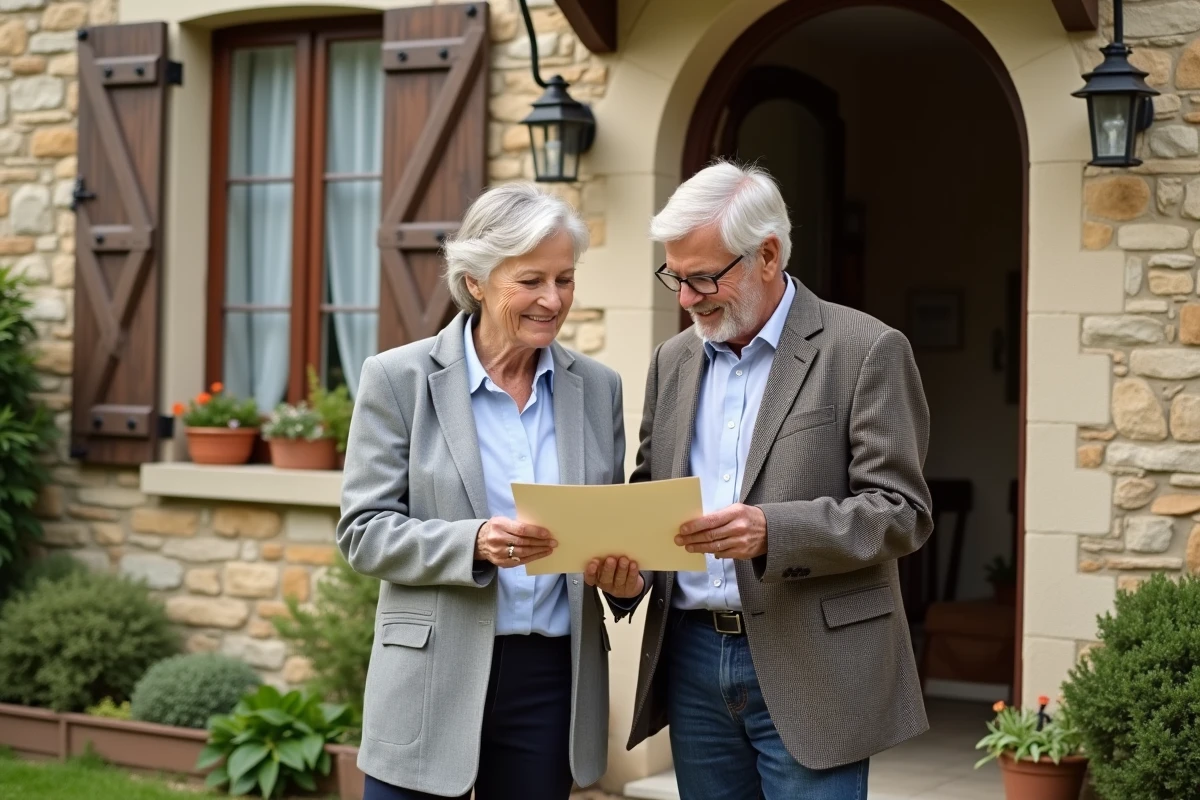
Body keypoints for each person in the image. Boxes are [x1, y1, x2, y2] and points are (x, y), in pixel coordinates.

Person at [616, 161, 934, 800]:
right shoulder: (673, 360)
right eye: (675, 277)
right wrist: (631, 573)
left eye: (703, 277)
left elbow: (901, 512)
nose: (686, 298)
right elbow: (653, 489)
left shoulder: (866, 348)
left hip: (816, 664)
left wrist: (773, 531)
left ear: (766, 255)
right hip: (693, 658)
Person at [337, 183, 642, 800]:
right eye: (530, 280)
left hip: (552, 679)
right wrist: (472, 542)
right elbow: (363, 533)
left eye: (565, 279)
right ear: (475, 279)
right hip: (431, 671)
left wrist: (624, 581)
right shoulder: (398, 378)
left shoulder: (598, 388)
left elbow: (608, 526)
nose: (552, 300)